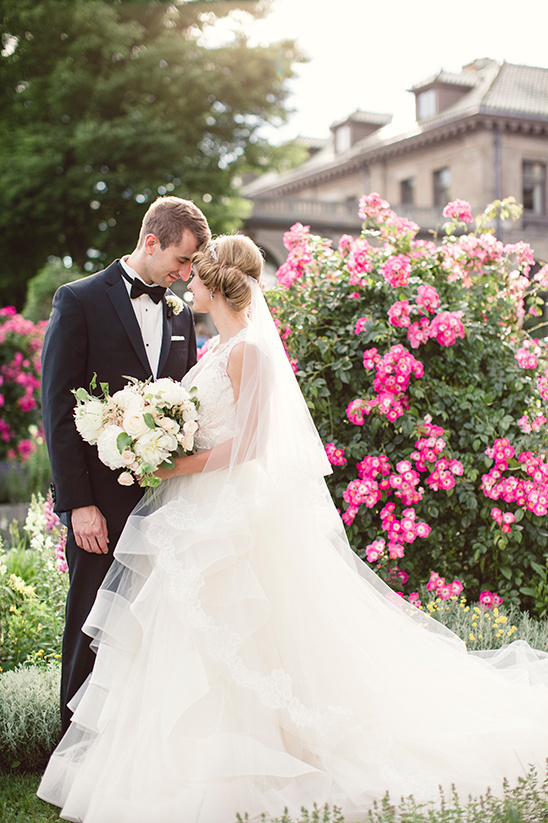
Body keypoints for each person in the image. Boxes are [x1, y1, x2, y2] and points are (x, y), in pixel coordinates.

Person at [39, 235, 548, 822]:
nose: (186, 285)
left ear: (216, 282)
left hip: (224, 512)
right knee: (188, 638)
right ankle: (184, 758)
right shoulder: (216, 346)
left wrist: (167, 461)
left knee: (238, 634)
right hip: (192, 508)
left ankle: (248, 760)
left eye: (194, 275)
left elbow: (249, 444)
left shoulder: (248, 350)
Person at [41, 195, 210, 733]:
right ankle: (71, 750)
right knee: (93, 620)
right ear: (151, 241)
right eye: (181, 261)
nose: (186, 275)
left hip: (166, 501)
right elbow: (58, 408)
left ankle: (131, 746)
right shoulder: (79, 299)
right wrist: (79, 504)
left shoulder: (180, 314)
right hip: (101, 505)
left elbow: (185, 400)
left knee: (152, 623)